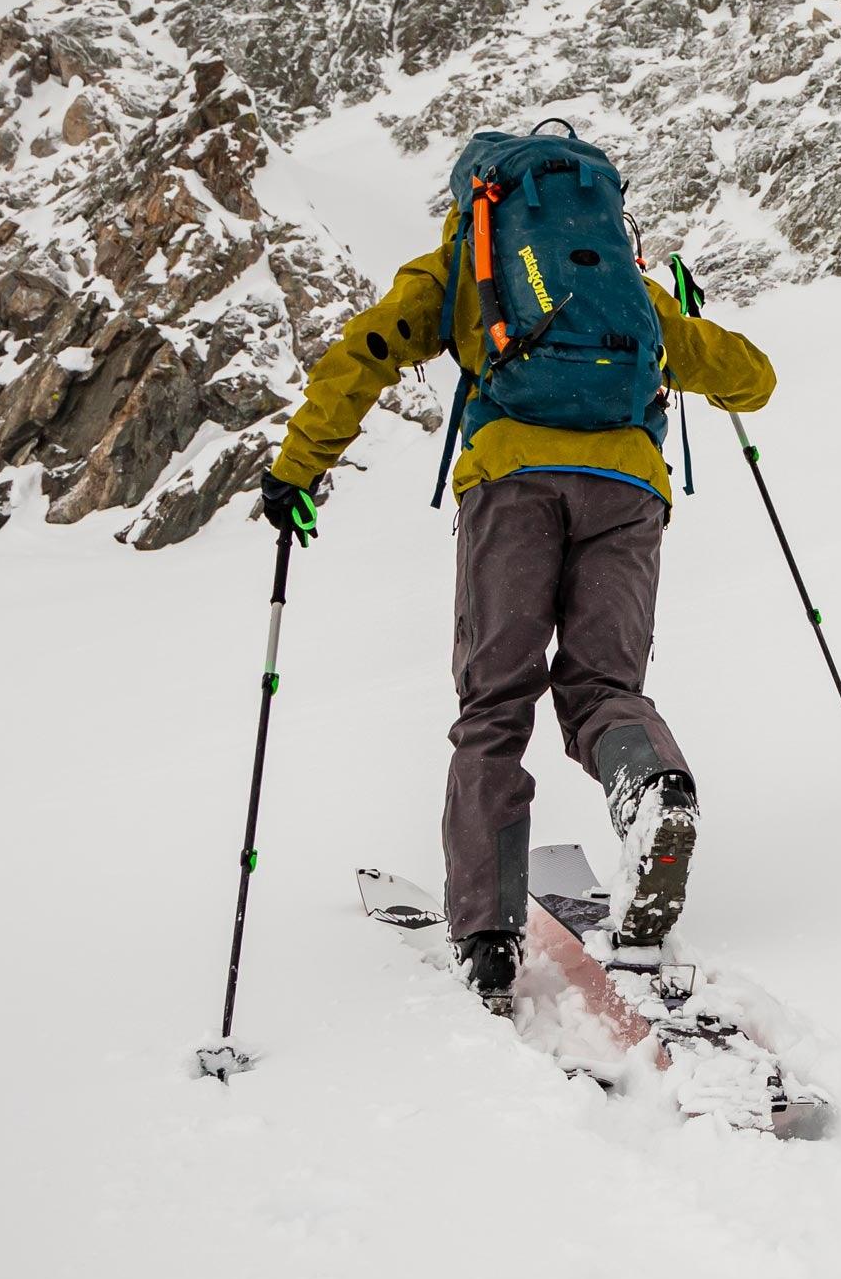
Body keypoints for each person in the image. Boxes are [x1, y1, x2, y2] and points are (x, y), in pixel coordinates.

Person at [257, 127, 776, 1007]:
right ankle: (650, 788)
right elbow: (752, 381)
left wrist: (297, 469)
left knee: (496, 702)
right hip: (628, 488)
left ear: (477, 198)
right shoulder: (625, 290)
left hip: (512, 488)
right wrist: (679, 317)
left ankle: (487, 935)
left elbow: (366, 353)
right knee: (605, 685)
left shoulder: (465, 266)